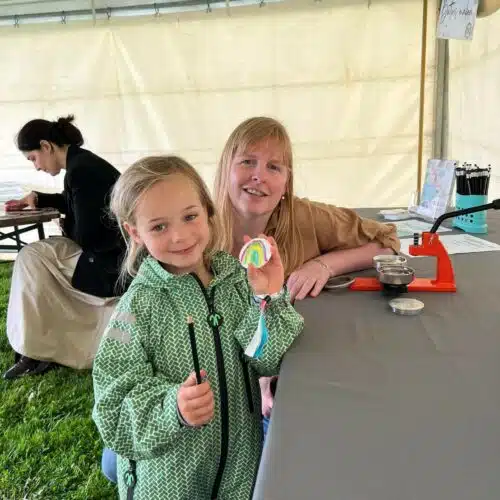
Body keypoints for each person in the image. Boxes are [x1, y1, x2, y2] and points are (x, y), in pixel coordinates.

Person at [92, 155, 303, 499]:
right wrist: (172, 407)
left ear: (207, 210)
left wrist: (267, 295)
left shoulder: (235, 280)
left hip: (240, 471)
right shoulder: (134, 309)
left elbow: (265, 358)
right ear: (135, 232)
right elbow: (113, 405)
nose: (180, 236)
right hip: (170, 482)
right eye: (159, 227)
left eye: (190, 217)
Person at [213, 116, 401, 433]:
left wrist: (324, 265)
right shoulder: (197, 229)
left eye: (274, 167)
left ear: (287, 183)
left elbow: (387, 241)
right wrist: (256, 380)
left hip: (282, 378)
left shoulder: (304, 217)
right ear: (224, 169)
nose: (259, 176)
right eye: (247, 161)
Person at [3, 115, 126, 380]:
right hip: (108, 254)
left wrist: (66, 226)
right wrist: (36, 198)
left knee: (31, 259)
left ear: (46, 146)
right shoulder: (82, 163)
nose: (36, 167)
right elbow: (73, 202)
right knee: (34, 258)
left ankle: (33, 350)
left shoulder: (81, 170)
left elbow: (87, 235)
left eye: (33, 158)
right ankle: (35, 347)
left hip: (109, 263)